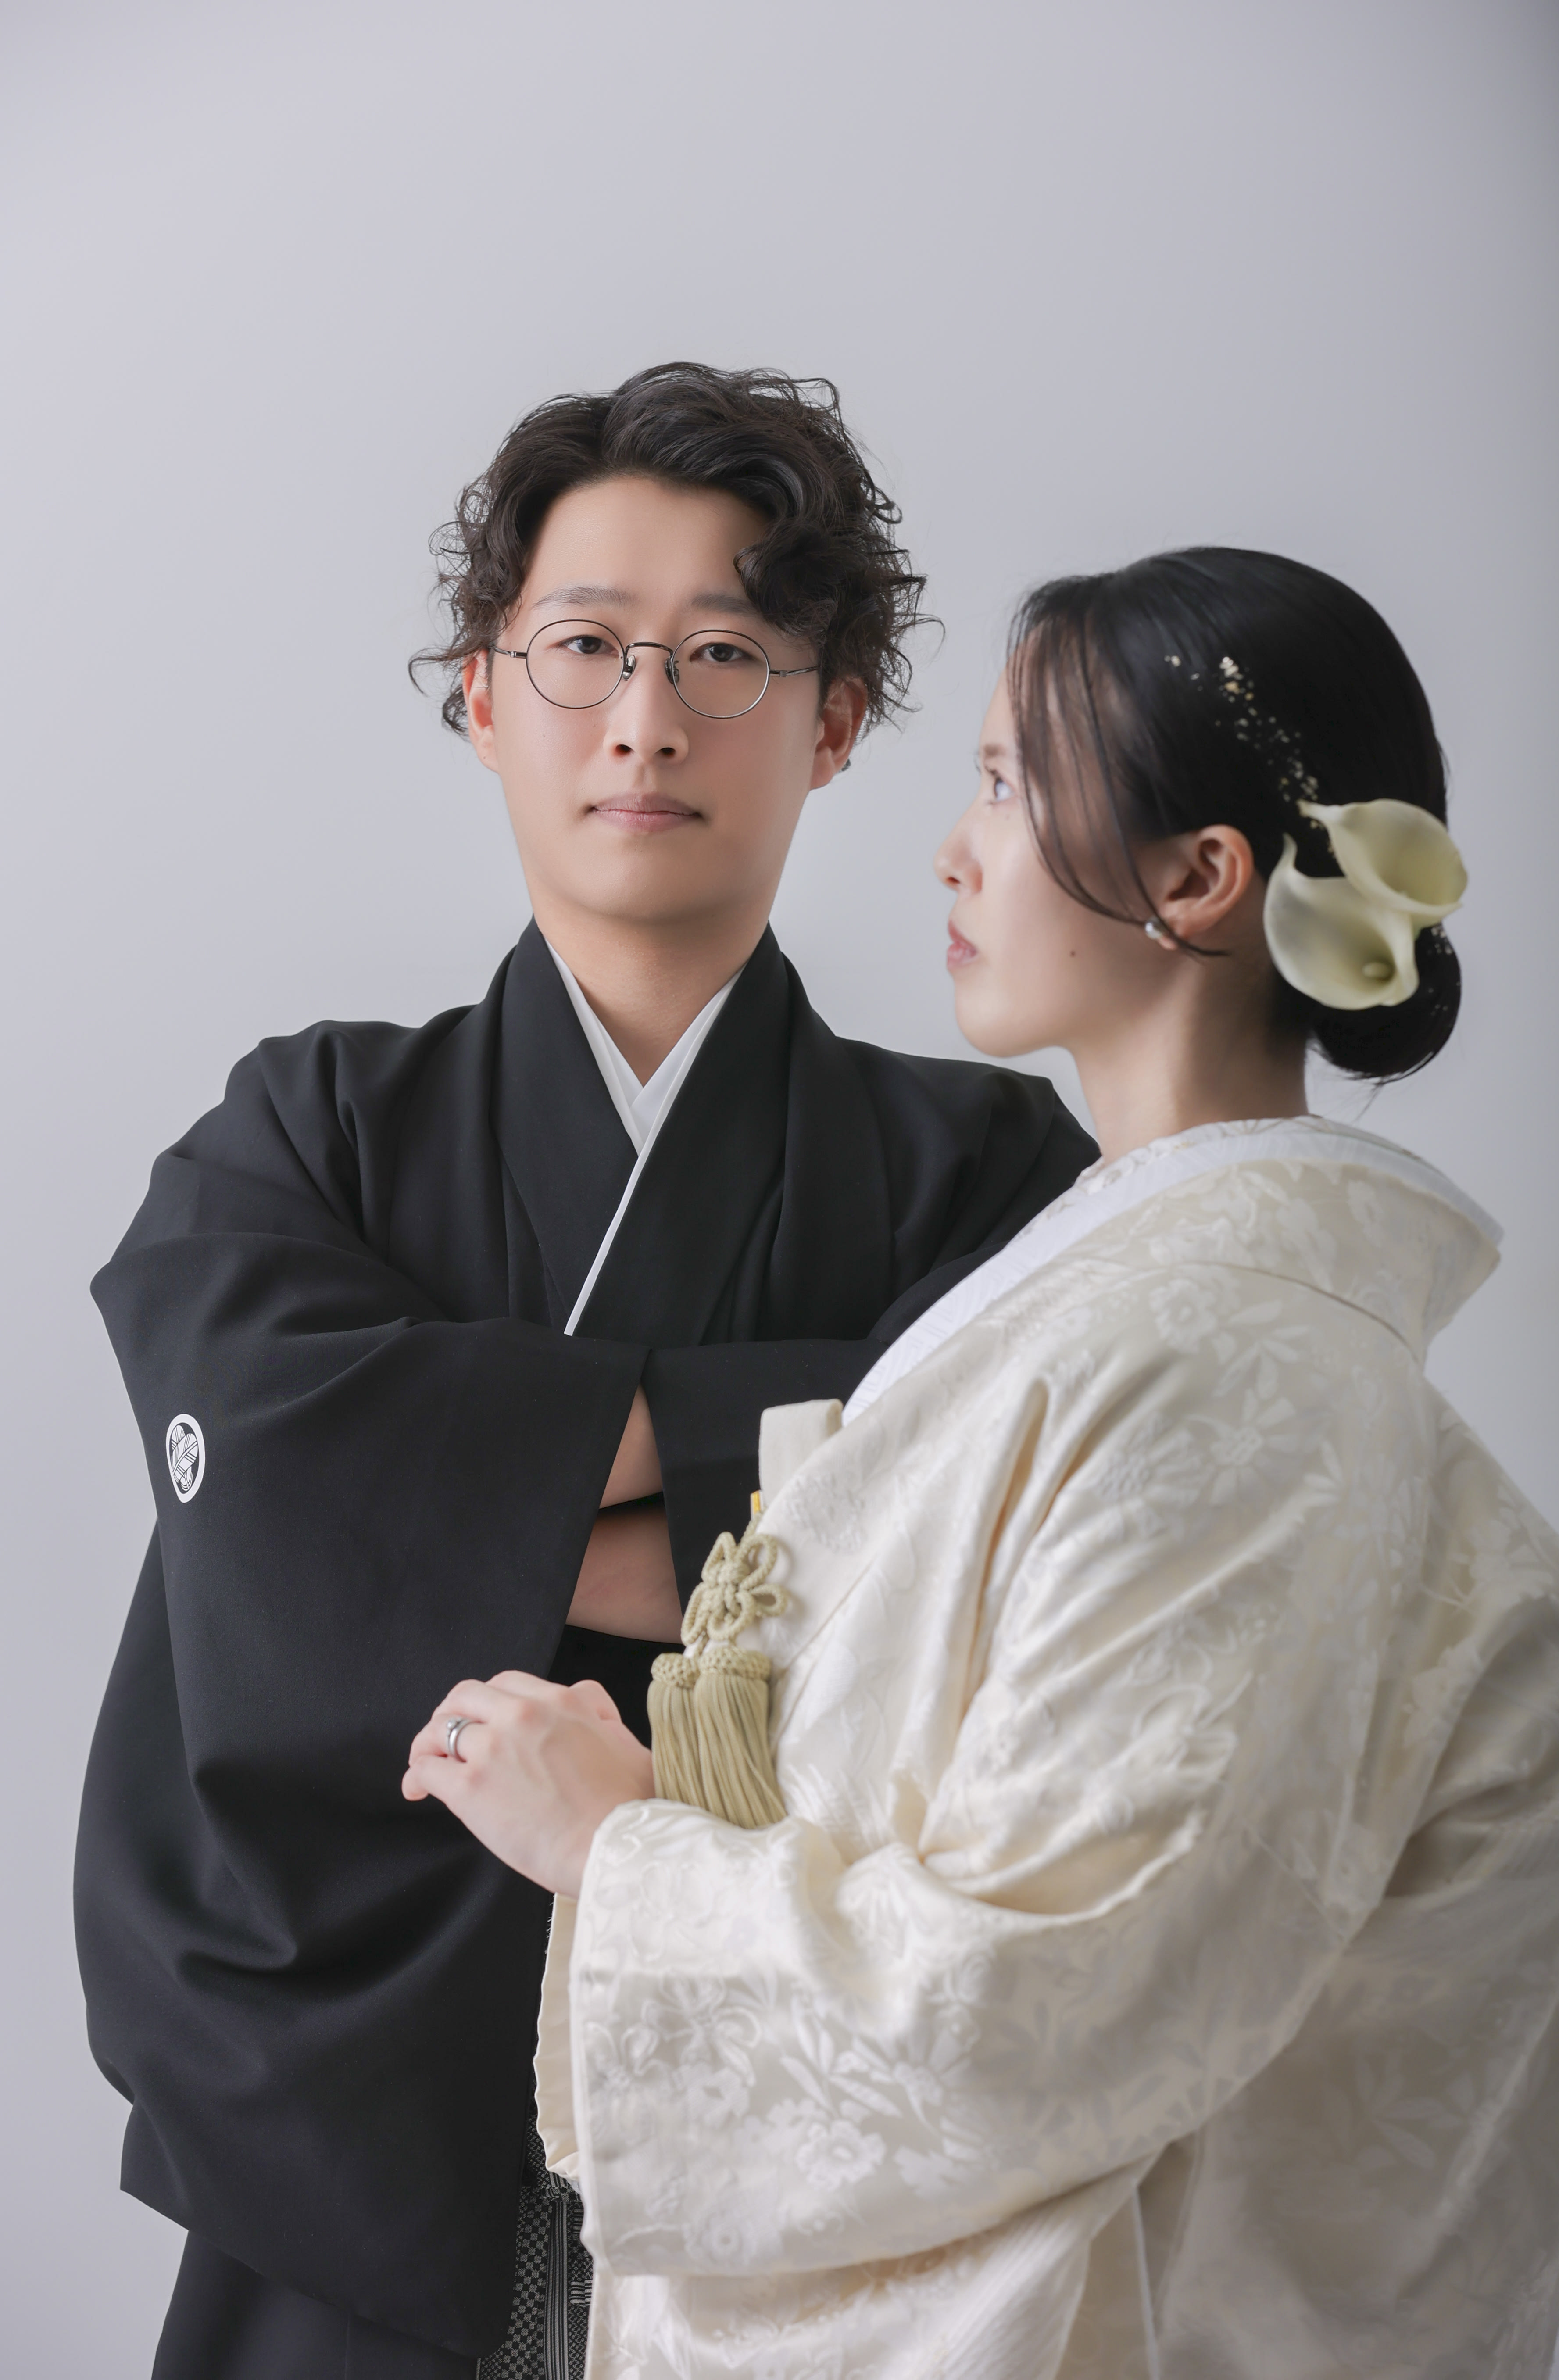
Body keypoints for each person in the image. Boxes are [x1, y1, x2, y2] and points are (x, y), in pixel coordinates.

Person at [409, 548, 1559, 2380]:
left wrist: (615, 1844)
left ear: (1197, 880)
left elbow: (1033, 2006)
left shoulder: (1235, 1374)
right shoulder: (1143, 1314)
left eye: (1005, 787)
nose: (954, 852)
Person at [75, 363, 1098, 2380]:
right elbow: (256, 1523)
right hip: (352, 2119)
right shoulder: (306, 1133)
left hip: (813, 2141)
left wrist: (443, 1505)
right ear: (483, 693)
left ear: (830, 720)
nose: (646, 717)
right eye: (584, 648)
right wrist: (798, 1459)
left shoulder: (986, 1169)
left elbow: (1015, 1555)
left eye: (724, 654)